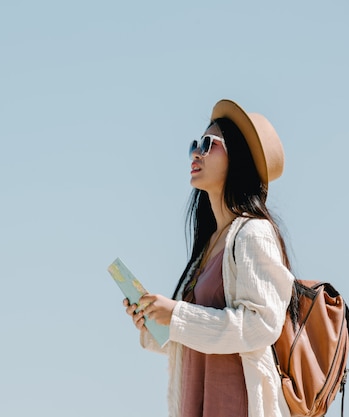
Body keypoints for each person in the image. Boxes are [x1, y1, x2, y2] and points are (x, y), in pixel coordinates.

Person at [123, 99, 295, 417]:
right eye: (194, 145)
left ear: (238, 158)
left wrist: (176, 315)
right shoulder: (210, 247)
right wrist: (154, 322)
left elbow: (262, 325)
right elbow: (192, 337)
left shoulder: (253, 233)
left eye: (207, 144)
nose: (196, 154)